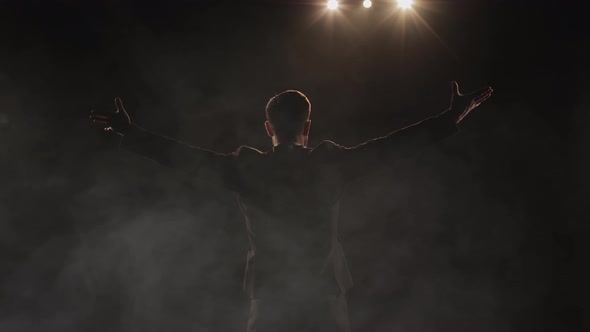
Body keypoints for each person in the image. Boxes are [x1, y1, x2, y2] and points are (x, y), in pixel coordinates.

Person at [90, 81, 493, 332]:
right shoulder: (329, 164)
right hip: (325, 298)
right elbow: (392, 148)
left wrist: (131, 132)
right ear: (308, 127)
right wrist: (451, 117)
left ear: (268, 128)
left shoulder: (246, 170)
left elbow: (183, 157)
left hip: (271, 300)